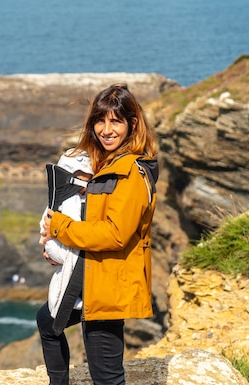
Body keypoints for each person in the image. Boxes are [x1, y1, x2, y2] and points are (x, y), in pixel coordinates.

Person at [37, 83, 159, 385]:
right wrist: (62, 249)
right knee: (48, 321)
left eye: (115, 121)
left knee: (107, 376)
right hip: (93, 271)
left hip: (108, 281)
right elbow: (90, 216)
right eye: (100, 120)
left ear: (132, 124)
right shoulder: (105, 163)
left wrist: (59, 229)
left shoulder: (129, 172)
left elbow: (114, 234)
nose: (106, 129)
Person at [40, 149, 93, 322]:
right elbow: (71, 227)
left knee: (47, 320)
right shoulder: (71, 200)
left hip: (67, 249)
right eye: (83, 176)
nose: (87, 181)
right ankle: (72, 301)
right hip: (60, 248)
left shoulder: (70, 197)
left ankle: (70, 301)